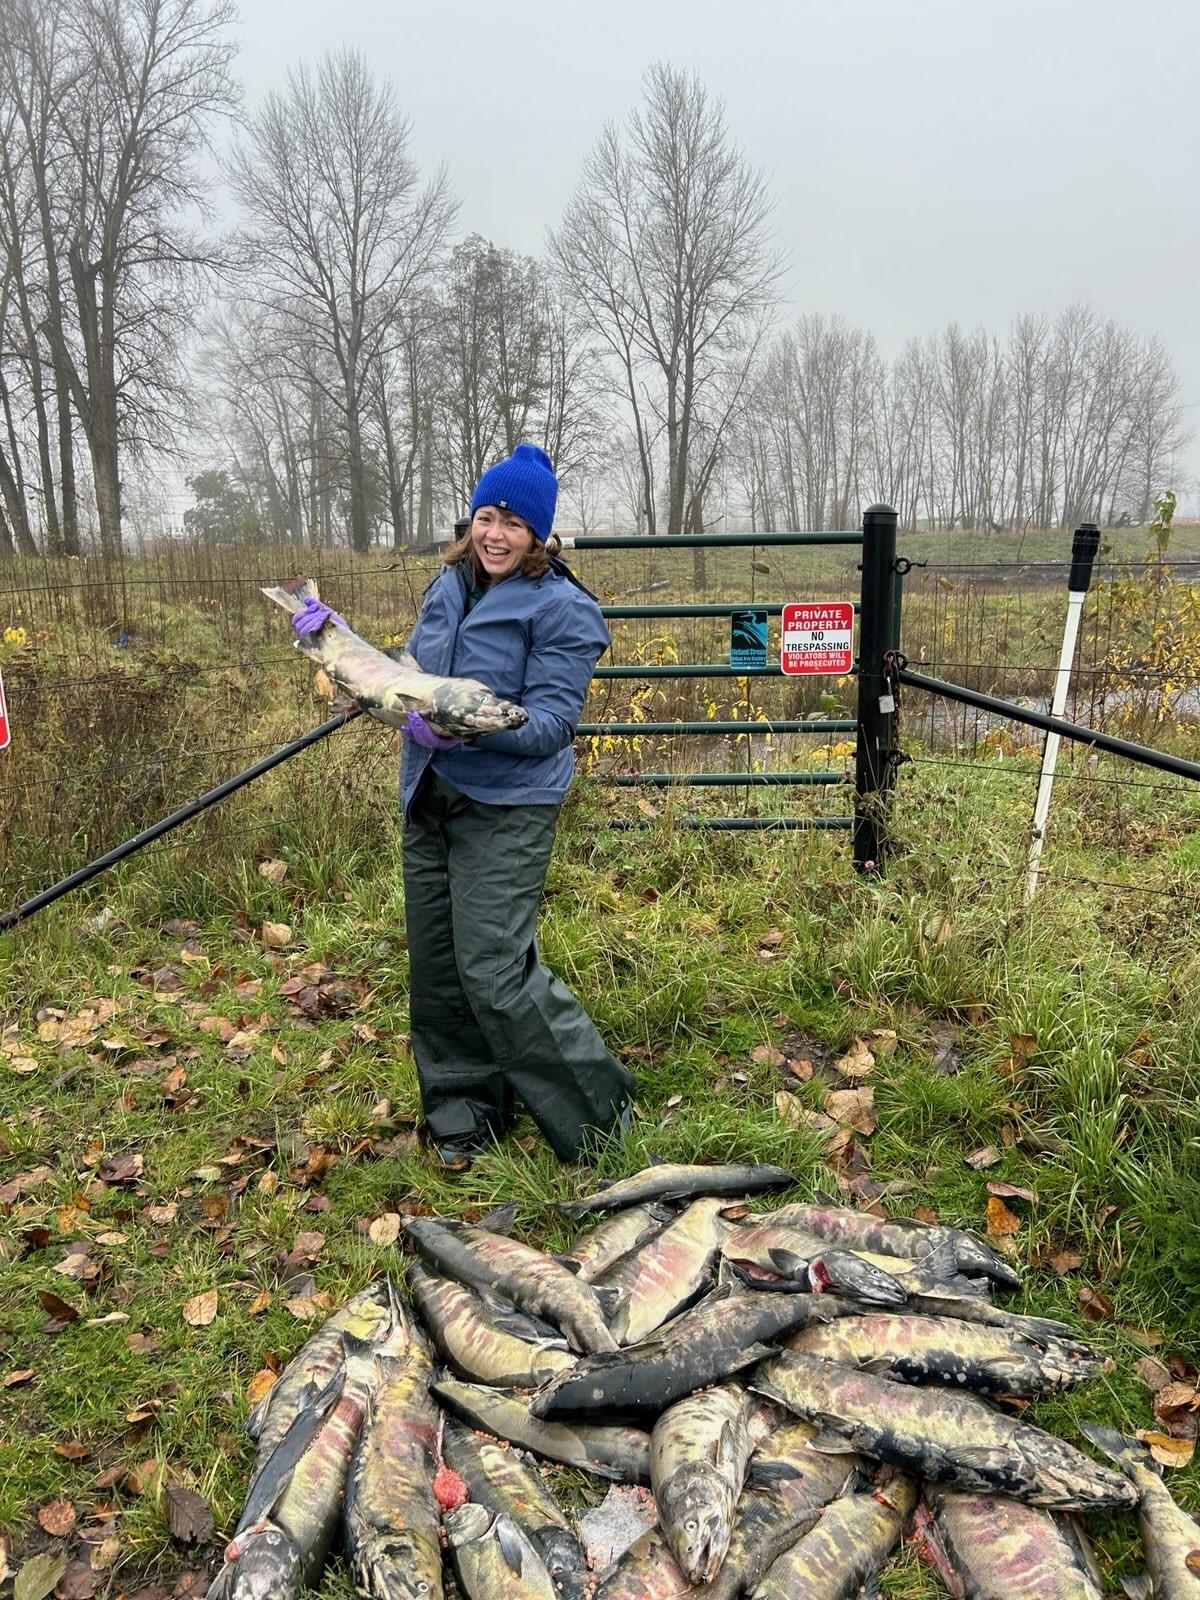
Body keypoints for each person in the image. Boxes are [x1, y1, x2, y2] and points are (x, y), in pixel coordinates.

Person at [399, 444, 633, 1169]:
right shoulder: (448, 584)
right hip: (427, 791)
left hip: (506, 805)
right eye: (487, 516)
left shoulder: (565, 610)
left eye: (514, 524)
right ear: (471, 519)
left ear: (539, 536)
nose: (496, 534)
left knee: (494, 971)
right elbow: (415, 670)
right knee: (439, 965)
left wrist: (460, 722)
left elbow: (550, 728)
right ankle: (465, 1113)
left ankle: (601, 1119)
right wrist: (347, 657)